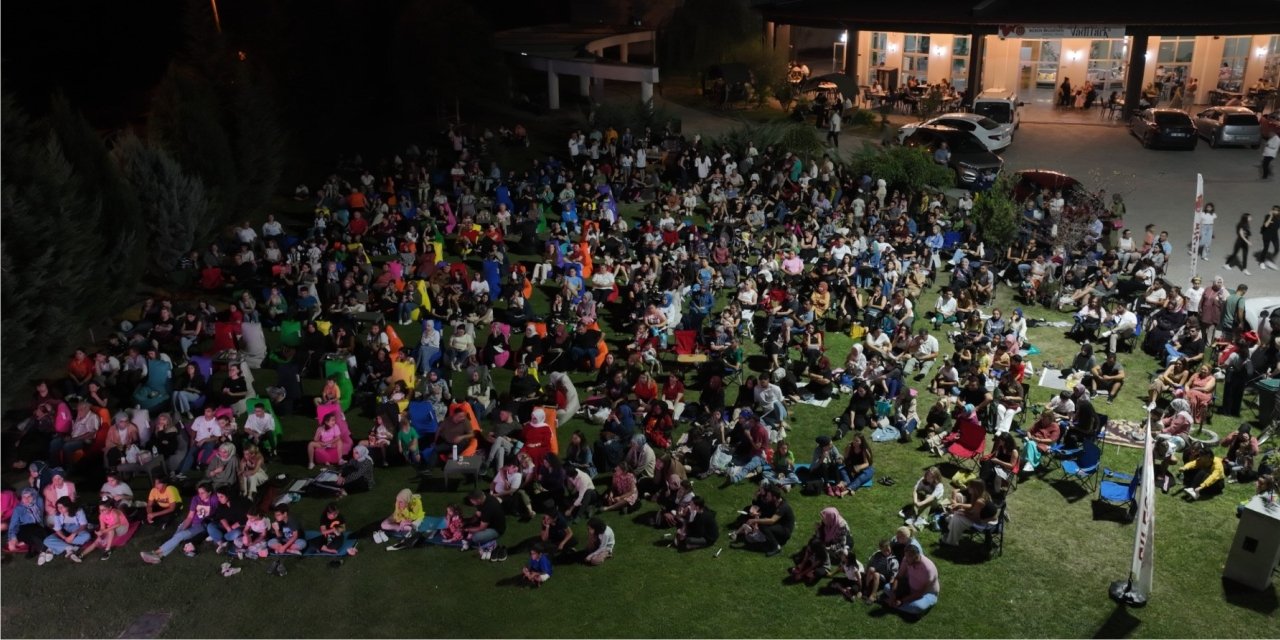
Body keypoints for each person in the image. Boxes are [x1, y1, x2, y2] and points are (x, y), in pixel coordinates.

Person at [141, 483, 218, 564]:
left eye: (202, 493)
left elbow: (219, 513)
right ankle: (160, 556)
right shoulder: (196, 499)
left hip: (202, 526)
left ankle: (155, 553)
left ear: (209, 492)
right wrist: (183, 526)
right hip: (194, 523)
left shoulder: (214, 499)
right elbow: (190, 516)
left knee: (179, 536)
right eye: (199, 493)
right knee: (177, 535)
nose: (200, 495)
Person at [880, 544, 940, 618]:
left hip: (926, 594)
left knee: (917, 607)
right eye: (906, 556)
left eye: (908, 557)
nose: (906, 559)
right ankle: (897, 603)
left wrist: (902, 601)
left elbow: (920, 593)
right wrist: (893, 593)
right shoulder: (907, 559)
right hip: (909, 587)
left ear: (915, 557)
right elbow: (899, 577)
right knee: (886, 587)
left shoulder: (927, 569)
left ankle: (894, 603)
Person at [940, 478, 995, 547]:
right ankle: (951, 535)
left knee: (957, 517)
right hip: (982, 518)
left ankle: (951, 542)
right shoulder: (981, 494)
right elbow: (973, 507)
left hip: (985, 523)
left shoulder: (980, 501)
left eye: (969, 486)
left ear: (975, 489)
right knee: (957, 515)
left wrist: (964, 513)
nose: (968, 487)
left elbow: (976, 519)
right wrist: (961, 508)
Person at [465, 489, 508, 560]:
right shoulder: (484, 497)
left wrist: (467, 529)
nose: (471, 502)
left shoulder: (488, 508)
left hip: (496, 530)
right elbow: (478, 514)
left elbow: (482, 528)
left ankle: (491, 544)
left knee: (475, 537)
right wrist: (468, 522)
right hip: (490, 522)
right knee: (472, 527)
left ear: (478, 500)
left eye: (472, 500)